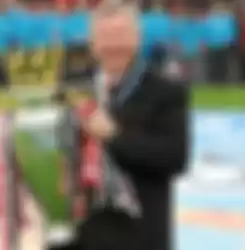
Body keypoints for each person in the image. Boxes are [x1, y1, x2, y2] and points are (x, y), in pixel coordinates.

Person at [54, 3, 189, 250]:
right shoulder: (73, 89)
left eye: (121, 36)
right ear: (92, 43)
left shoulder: (165, 90)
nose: (113, 46)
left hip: (139, 236)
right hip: (82, 236)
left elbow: (175, 158)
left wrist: (114, 136)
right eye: (106, 37)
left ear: (137, 38)